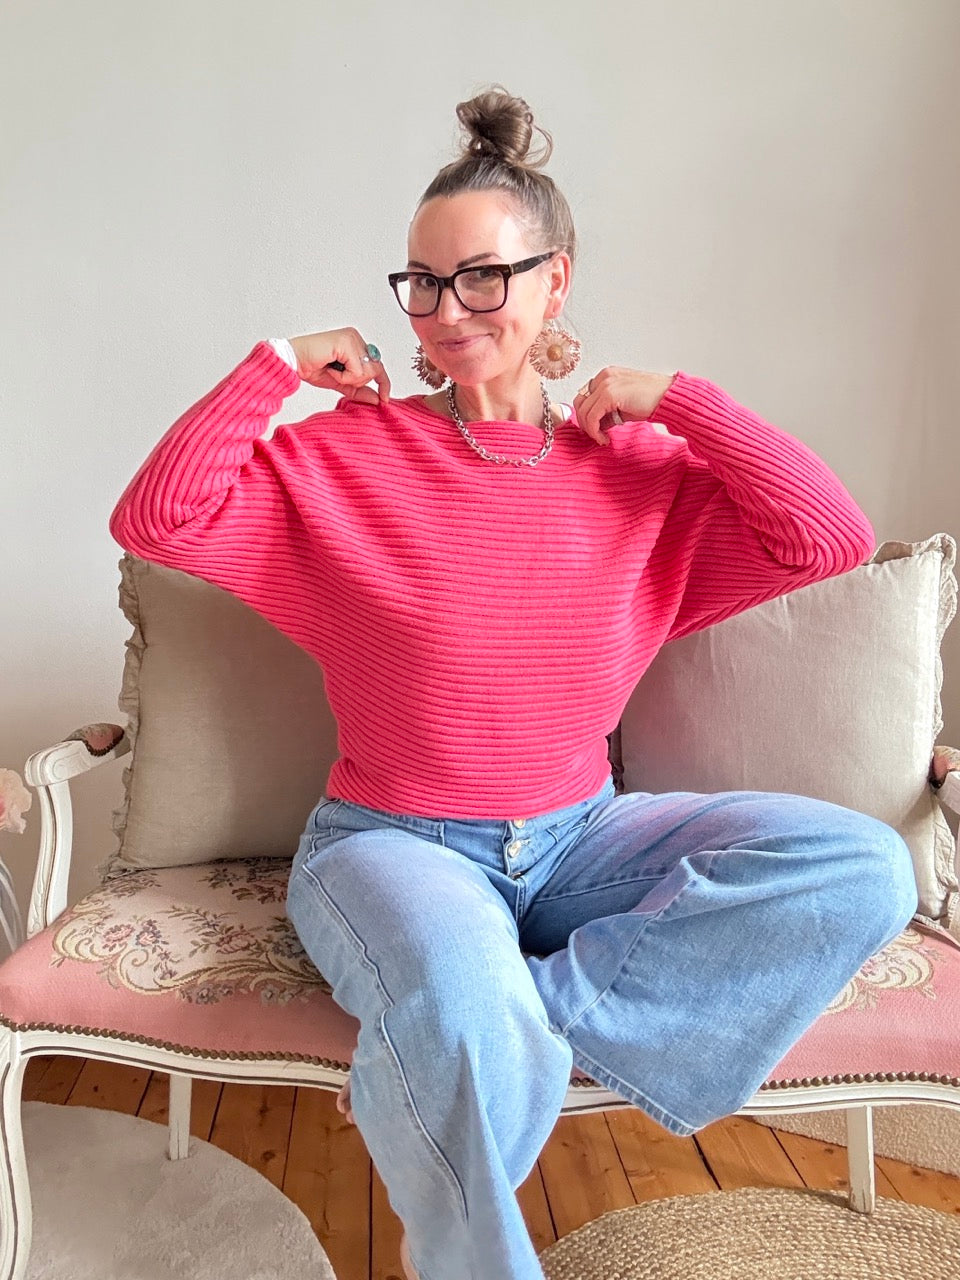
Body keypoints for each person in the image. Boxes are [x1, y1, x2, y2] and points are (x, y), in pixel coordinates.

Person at [110, 87, 918, 1280]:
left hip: (582, 838)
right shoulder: (347, 455)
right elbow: (158, 517)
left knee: (864, 867)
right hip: (392, 845)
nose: (447, 312)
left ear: (556, 281)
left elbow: (827, 537)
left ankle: (522, 1014)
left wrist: (686, 402)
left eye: (483, 277)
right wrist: (273, 366)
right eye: (423, 282)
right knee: (459, 1003)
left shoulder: (637, 471)